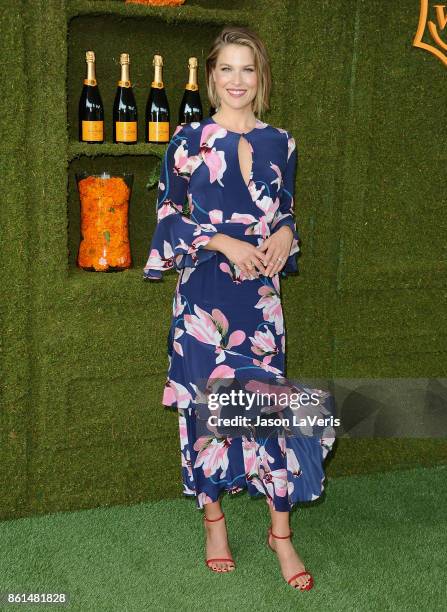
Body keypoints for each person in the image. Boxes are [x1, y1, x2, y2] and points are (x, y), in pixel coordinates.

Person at [143, 26, 335, 591]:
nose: (236, 80)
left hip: (259, 301)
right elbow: (168, 216)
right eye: (226, 69)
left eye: (247, 69)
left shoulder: (283, 142)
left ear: (261, 79)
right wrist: (222, 242)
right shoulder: (186, 141)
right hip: (205, 296)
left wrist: (285, 235)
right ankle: (215, 523)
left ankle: (281, 534)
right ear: (211, 79)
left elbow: (285, 214)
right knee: (207, 413)